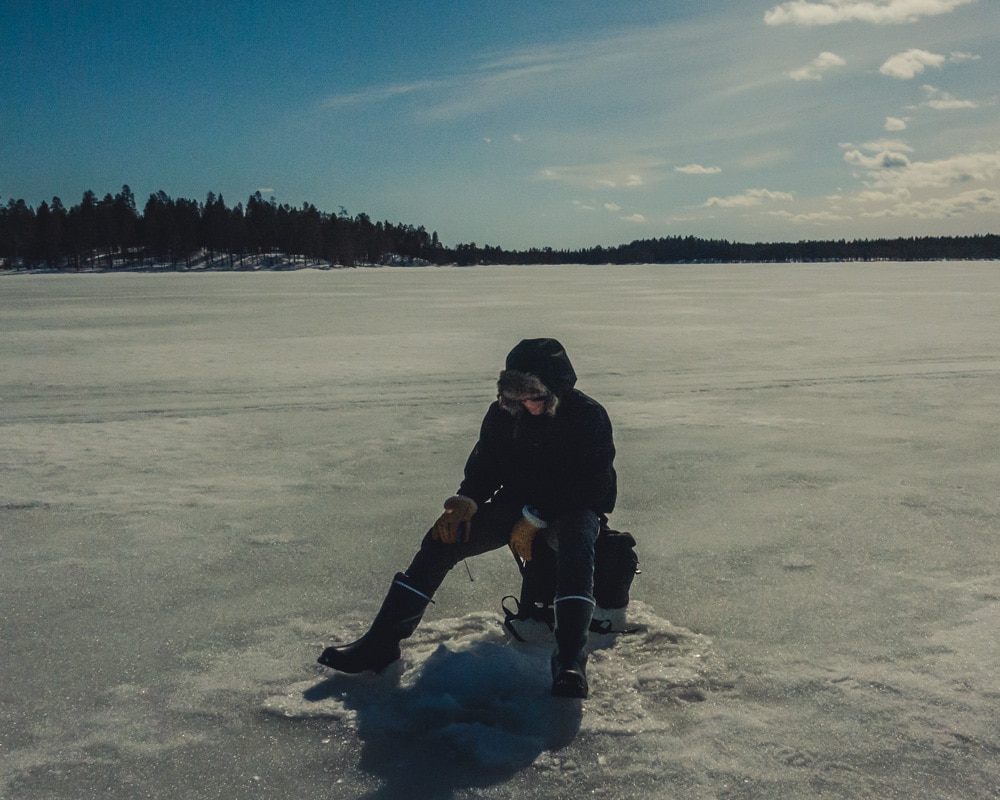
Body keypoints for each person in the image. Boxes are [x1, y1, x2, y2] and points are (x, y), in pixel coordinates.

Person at [318, 338, 617, 699]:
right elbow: (486, 467)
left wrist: (539, 518)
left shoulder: (588, 416)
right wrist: (467, 501)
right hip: (516, 503)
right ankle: (381, 644)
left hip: (573, 507)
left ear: (556, 388)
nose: (528, 405)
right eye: (519, 397)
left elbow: (595, 485)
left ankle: (569, 659)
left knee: (576, 544)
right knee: (442, 539)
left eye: (535, 396)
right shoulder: (504, 415)